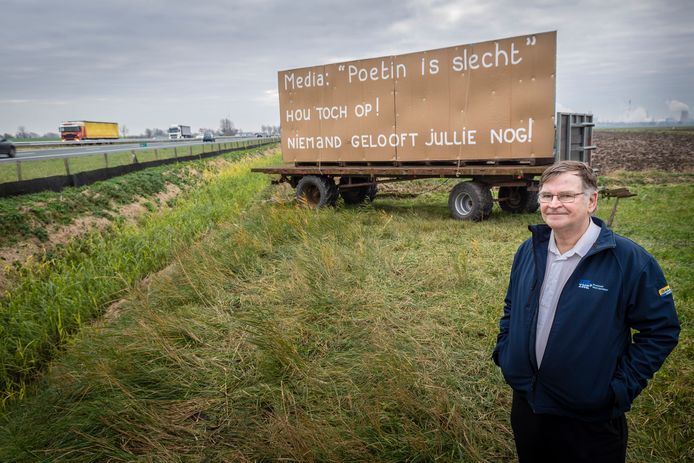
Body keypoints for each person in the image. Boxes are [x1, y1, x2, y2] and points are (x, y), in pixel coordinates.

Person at [492, 160, 679, 463]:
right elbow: (512, 305)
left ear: (591, 200)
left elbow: (661, 331)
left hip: (589, 417)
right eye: (546, 196)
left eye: (566, 195)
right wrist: (506, 352)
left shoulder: (629, 260)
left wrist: (618, 388)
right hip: (528, 405)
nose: (554, 204)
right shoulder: (529, 250)